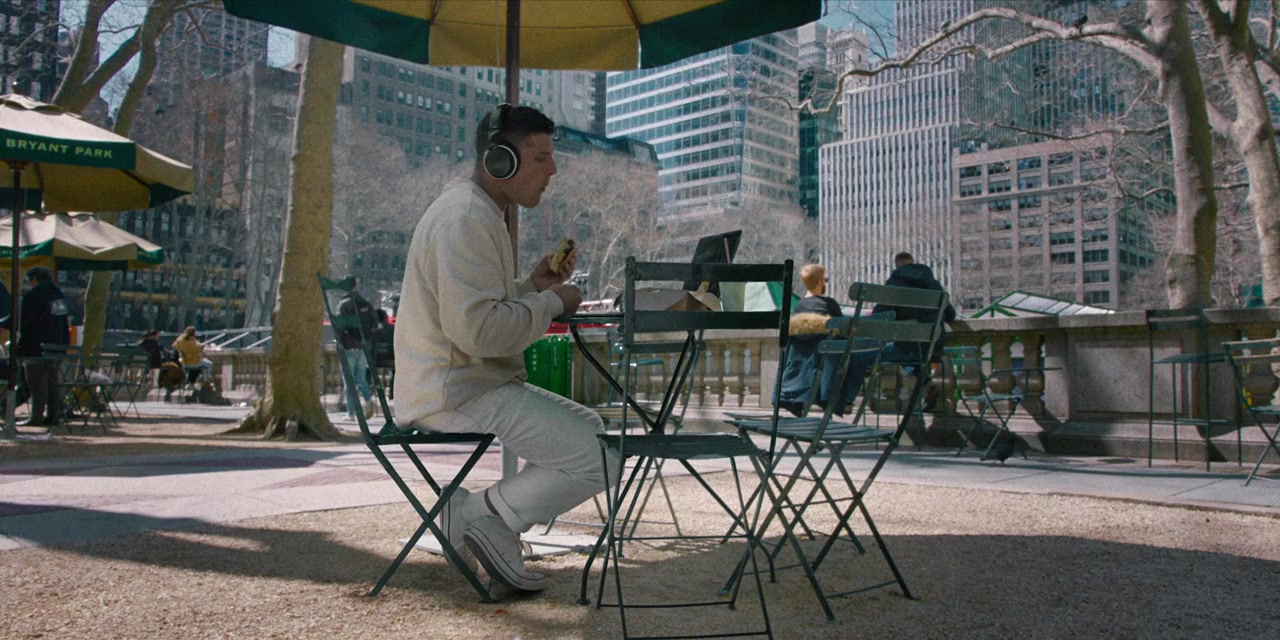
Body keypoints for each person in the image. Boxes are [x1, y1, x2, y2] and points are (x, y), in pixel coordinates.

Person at [394, 104, 617, 595]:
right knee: (602, 458)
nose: (552, 170)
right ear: (500, 160)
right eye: (540, 158)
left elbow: (473, 312)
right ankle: (485, 519)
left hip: (462, 381)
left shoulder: (475, 211)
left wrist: (531, 287)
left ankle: (471, 515)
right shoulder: (465, 218)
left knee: (594, 432)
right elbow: (479, 333)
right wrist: (552, 303)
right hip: (455, 390)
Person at [776, 264, 860, 417]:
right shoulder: (830, 305)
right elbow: (844, 334)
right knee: (855, 357)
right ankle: (848, 401)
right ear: (820, 282)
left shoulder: (798, 307)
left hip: (800, 381)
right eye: (825, 280)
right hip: (826, 379)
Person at [12, 267, 71, 426]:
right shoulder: (59, 295)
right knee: (52, 384)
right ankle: (53, 415)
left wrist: (21, 346)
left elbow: (26, 324)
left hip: (35, 347)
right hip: (57, 347)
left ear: (35, 279)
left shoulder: (33, 296)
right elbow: (62, 321)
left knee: (36, 383)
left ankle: (36, 416)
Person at [336, 279, 377, 420]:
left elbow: (340, 326)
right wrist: (366, 338)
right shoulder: (365, 303)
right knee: (360, 377)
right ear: (355, 286)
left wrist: (340, 342)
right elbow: (374, 323)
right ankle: (368, 399)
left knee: (349, 380)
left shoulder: (343, 304)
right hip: (363, 346)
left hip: (348, 346)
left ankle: (351, 413)